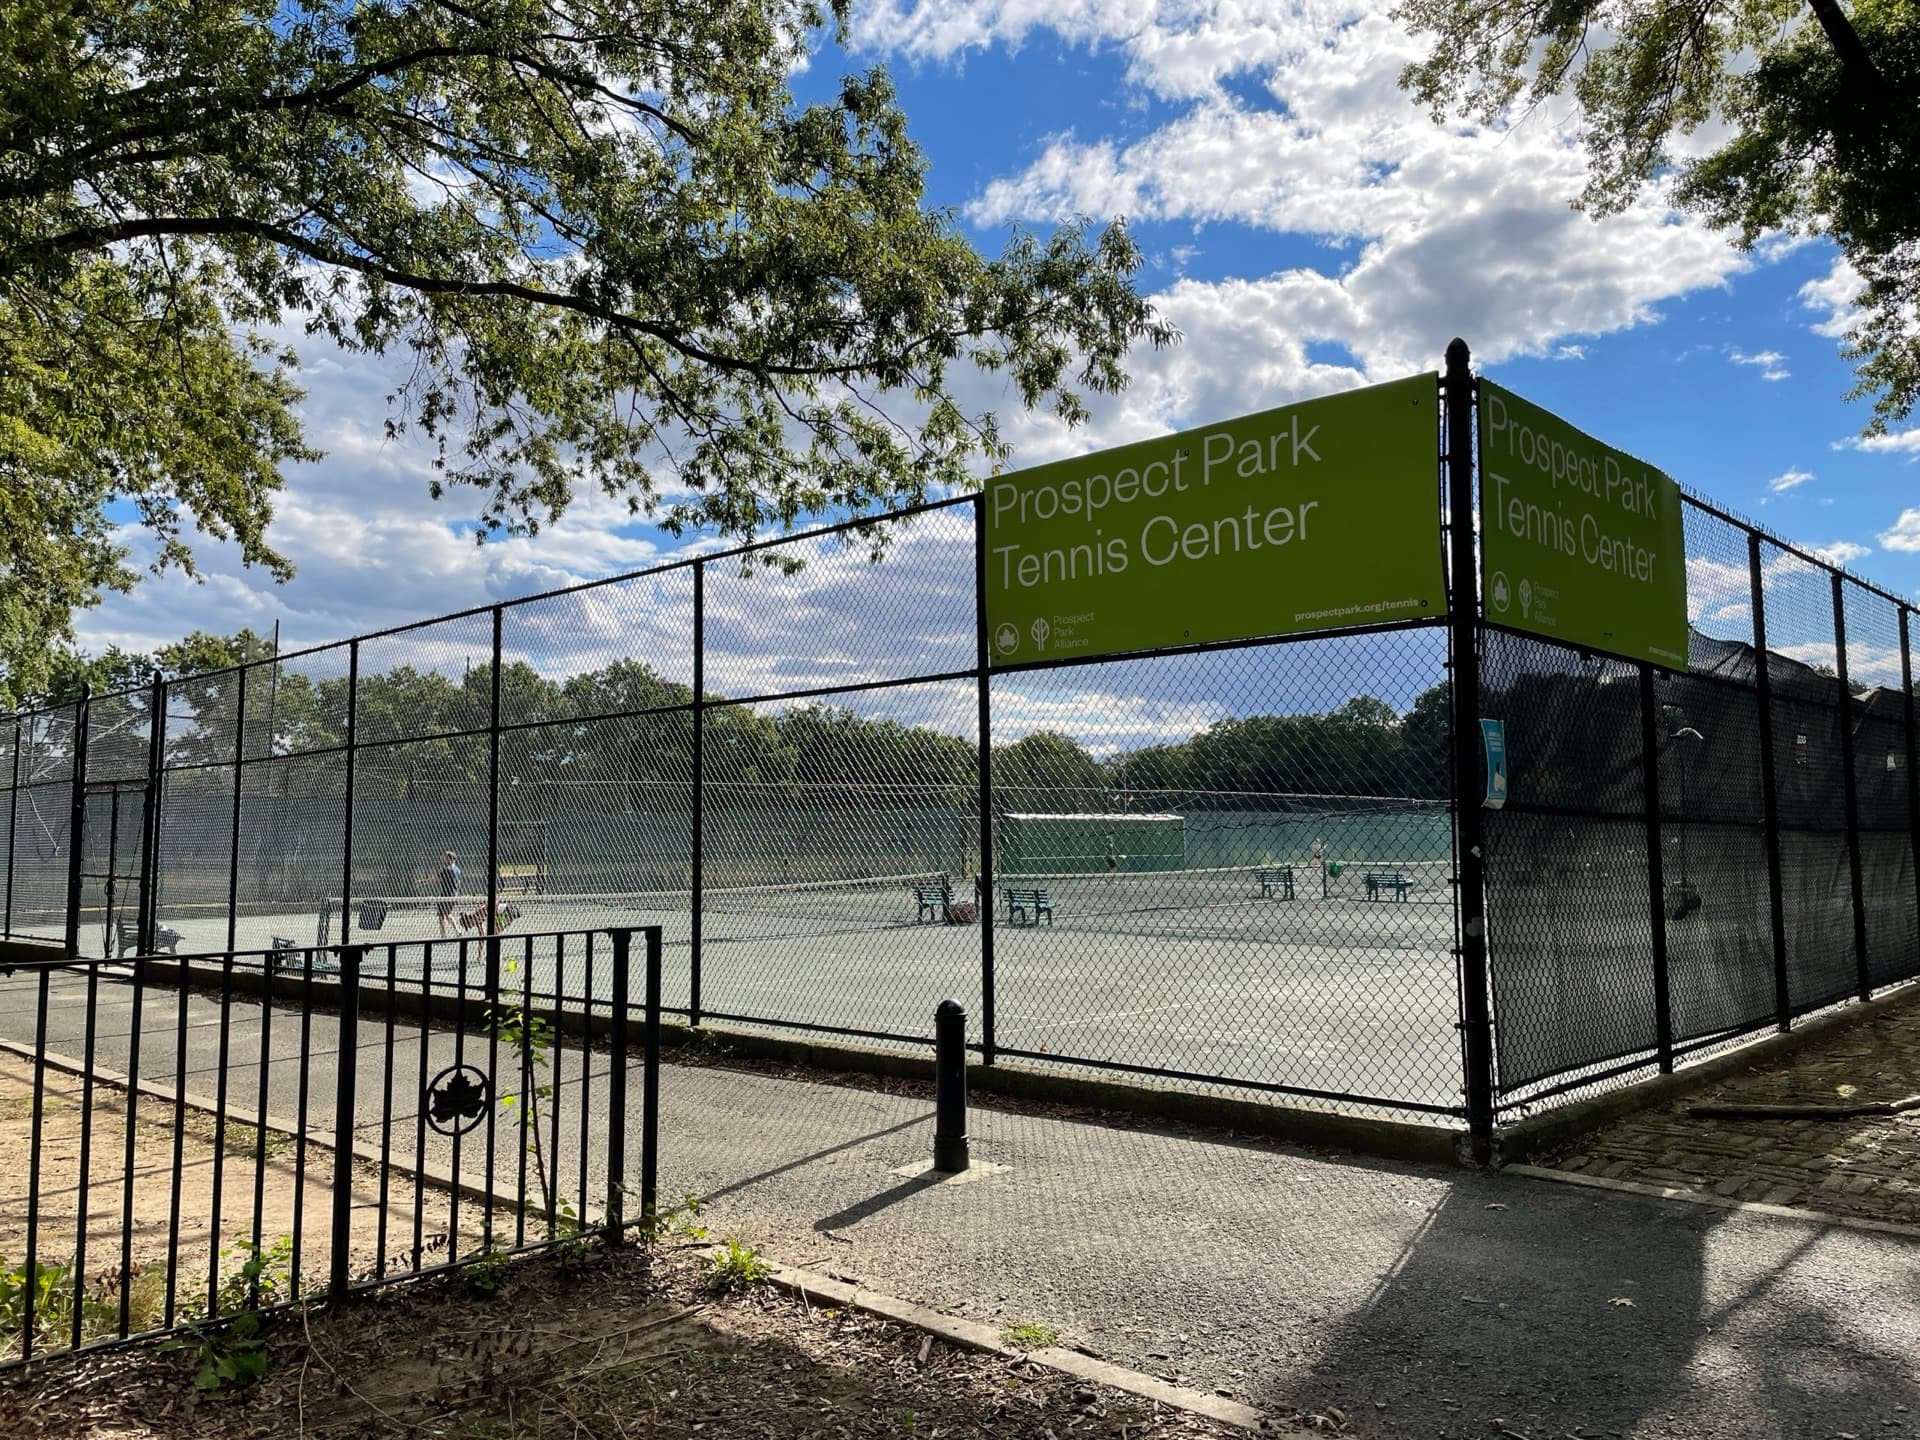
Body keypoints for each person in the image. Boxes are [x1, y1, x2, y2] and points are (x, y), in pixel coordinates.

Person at [437, 850, 462, 937]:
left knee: (441, 916)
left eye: (446, 858)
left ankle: (443, 935)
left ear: (451, 859)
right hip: (453, 896)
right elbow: (458, 883)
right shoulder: (458, 870)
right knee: (447, 914)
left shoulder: (446, 870)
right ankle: (458, 931)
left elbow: (437, 879)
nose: (444, 860)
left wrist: (424, 880)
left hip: (445, 896)